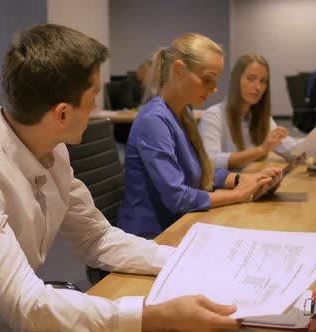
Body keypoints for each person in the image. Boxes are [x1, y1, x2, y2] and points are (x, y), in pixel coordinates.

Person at [0, 24, 240, 332]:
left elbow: (96, 238)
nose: (95, 109)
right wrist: (154, 316)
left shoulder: (51, 149)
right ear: (63, 113)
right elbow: (27, 305)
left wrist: (186, 262)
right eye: (93, 98)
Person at [117, 33, 281, 239]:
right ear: (179, 70)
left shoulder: (183, 113)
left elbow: (200, 172)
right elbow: (177, 198)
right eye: (207, 80)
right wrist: (237, 194)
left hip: (179, 224)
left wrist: (242, 178)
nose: (213, 89)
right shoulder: (154, 121)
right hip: (151, 237)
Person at [199, 53, 316, 170]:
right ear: (236, 80)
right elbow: (211, 162)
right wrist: (261, 150)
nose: (258, 87)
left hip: (252, 186)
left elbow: (292, 151)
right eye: (251, 79)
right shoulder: (214, 116)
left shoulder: (259, 117)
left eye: (263, 81)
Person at [114, 60, 152, 143]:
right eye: (148, 73)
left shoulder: (143, 85)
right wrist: (145, 106)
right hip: (126, 126)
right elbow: (126, 104)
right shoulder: (128, 83)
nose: (149, 77)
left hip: (137, 122)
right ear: (140, 70)